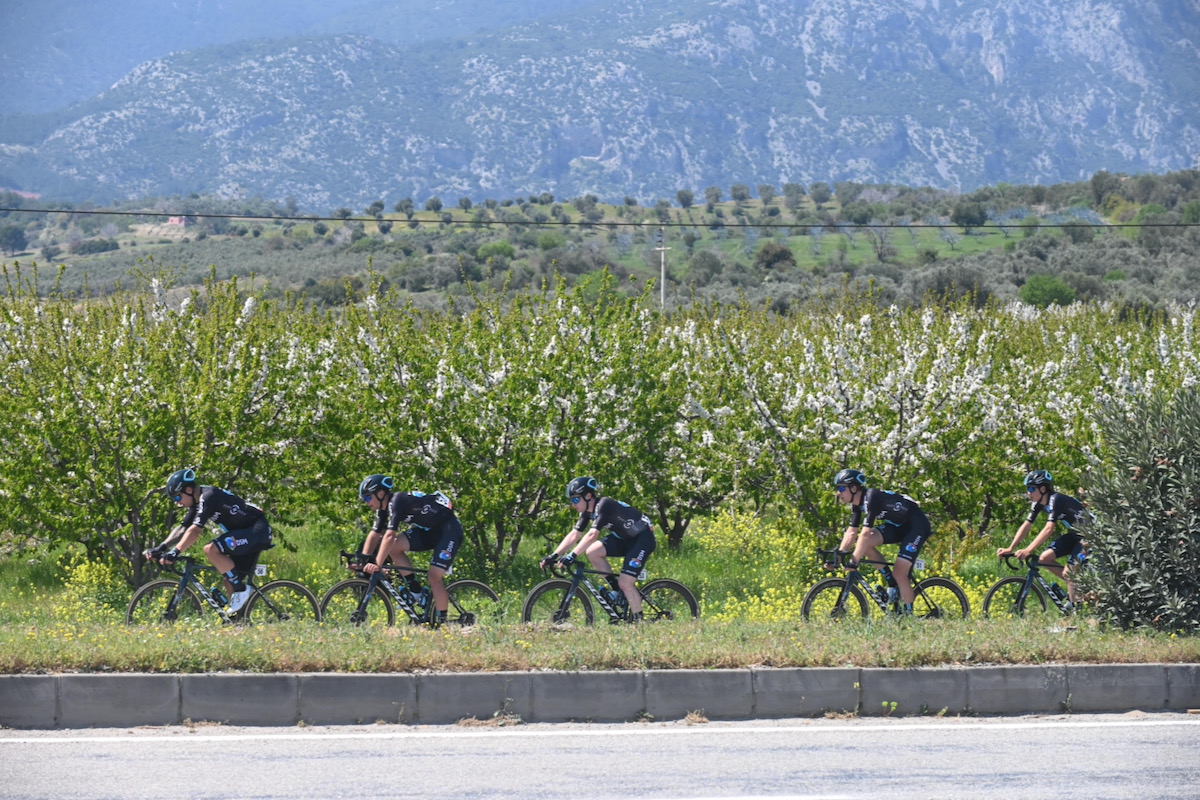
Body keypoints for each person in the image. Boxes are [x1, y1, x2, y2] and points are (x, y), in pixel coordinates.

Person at [143, 468, 273, 614]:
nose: (178, 503)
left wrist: (175, 552)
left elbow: (195, 530)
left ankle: (241, 590)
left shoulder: (208, 496)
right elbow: (182, 528)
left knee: (211, 549)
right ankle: (239, 621)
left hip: (257, 530)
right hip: (245, 534)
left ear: (188, 490)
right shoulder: (198, 502)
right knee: (228, 579)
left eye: (178, 498)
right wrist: (162, 547)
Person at [539, 476, 655, 621]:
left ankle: (639, 623)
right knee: (593, 552)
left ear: (588, 496)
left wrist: (571, 556)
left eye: (575, 499)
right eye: (571, 500)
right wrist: (553, 555)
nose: (573, 504)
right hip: (624, 539)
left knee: (626, 583)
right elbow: (575, 534)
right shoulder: (587, 512)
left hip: (642, 539)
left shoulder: (604, 504)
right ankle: (618, 592)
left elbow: (593, 534)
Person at [359, 473, 463, 628]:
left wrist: (377, 564)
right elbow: (374, 534)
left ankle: (443, 624)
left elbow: (389, 535)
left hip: (449, 531)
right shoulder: (383, 510)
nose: (366, 502)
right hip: (429, 531)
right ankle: (416, 591)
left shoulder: (397, 501)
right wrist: (362, 560)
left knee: (434, 577)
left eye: (368, 498)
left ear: (380, 494)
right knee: (394, 547)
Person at [831, 468, 932, 615]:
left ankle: (909, 617)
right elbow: (852, 532)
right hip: (898, 526)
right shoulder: (857, 505)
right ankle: (891, 581)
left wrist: (854, 560)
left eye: (841, 488)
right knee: (865, 545)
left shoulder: (871, 497)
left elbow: (864, 533)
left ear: (854, 488)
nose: (838, 493)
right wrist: (839, 556)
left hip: (916, 526)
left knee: (900, 572)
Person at [997, 469, 1091, 608]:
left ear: (1042, 488)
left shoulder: (1055, 499)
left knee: (1068, 573)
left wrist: (1028, 550)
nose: (1028, 492)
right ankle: (1077, 589)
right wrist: (1011, 548)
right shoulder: (1038, 503)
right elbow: (1026, 525)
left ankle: (1076, 610)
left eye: (1031, 489)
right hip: (1076, 534)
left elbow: (1049, 529)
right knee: (1044, 559)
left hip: (1091, 535)